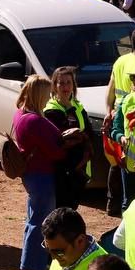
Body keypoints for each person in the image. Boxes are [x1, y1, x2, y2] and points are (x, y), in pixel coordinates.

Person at [12, 75, 72, 270]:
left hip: (32, 175)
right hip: (42, 176)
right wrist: (67, 143)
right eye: (46, 93)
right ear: (39, 95)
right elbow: (55, 152)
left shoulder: (21, 114)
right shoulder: (35, 121)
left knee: (33, 221)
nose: (49, 97)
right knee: (39, 224)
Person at [44, 66, 92, 211]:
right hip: (62, 169)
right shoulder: (51, 110)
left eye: (68, 82)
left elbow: (88, 131)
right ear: (54, 86)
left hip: (79, 168)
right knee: (61, 208)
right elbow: (65, 135)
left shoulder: (78, 106)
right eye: (61, 83)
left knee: (72, 206)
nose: (65, 87)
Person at [108, 62, 135, 216]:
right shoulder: (126, 100)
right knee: (129, 202)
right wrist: (121, 138)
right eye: (132, 78)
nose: (132, 82)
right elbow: (115, 130)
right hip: (130, 162)